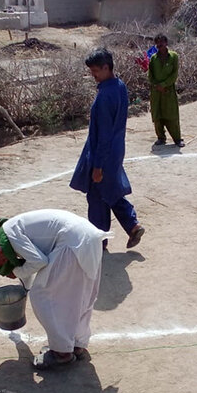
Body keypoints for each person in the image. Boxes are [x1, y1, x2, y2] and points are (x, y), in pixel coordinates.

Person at [0, 209, 112, 369]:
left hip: (70, 244)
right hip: (89, 238)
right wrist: (23, 286)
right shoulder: (15, 225)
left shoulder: (10, 233)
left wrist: (15, 272)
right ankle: (76, 344)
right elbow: (30, 261)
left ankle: (61, 353)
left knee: (43, 296)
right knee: (79, 297)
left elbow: (38, 261)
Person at [70, 47, 145, 251]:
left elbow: (103, 135)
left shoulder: (105, 96)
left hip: (103, 153)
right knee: (109, 192)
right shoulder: (119, 86)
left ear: (106, 67)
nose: (93, 75)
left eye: (95, 71)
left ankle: (97, 241)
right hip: (115, 150)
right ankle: (132, 225)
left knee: (97, 197)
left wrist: (97, 166)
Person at [148, 33, 184, 148]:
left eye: (161, 43)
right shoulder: (153, 58)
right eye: (157, 44)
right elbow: (150, 75)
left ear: (166, 43)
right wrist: (156, 86)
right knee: (157, 115)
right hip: (156, 92)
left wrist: (164, 85)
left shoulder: (174, 56)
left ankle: (177, 139)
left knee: (171, 115)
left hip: (168, 91)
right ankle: (161, 138)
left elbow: (174, 74)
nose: (160, 45)